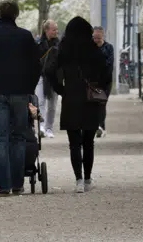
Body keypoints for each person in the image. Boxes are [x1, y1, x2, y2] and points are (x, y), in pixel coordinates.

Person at [0, 1, 42, 198]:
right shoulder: (25, 37)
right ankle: (17, 184)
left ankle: (3, 186)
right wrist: (29, 88)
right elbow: (36, 66)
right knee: (19, 137)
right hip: (20, 93)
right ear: (16, 15)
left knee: (0, 138)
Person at [46, 17, 109, 192]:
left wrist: (60, 89)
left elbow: (49, 70)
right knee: (88, 141)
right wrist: (99, 88)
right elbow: (106, 73)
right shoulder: (93, 50)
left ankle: (78, 180)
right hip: (90, 98)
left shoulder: (63, 50)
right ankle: (88, 178)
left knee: (74, 143)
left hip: (71, 97)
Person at [35, 20, 60, 138]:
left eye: (56, 29)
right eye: (54, 29)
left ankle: (49, 128)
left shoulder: (59, 44)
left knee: (52, 106)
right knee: (40, 102)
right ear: (46, 30)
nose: (56, 31)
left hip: (55, 78)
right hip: (41, 77)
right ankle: (41, 126)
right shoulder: (38, 44)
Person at [92, 26, 114, 138]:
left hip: (105, 81)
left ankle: (100, 127)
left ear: (103, 36)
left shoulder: (109, 48)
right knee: (96, 104)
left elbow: (109, 65)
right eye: (94, 38)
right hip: (93, 81)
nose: (96, 40)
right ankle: (99, 127)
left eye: (98, 38)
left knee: (101, 103)